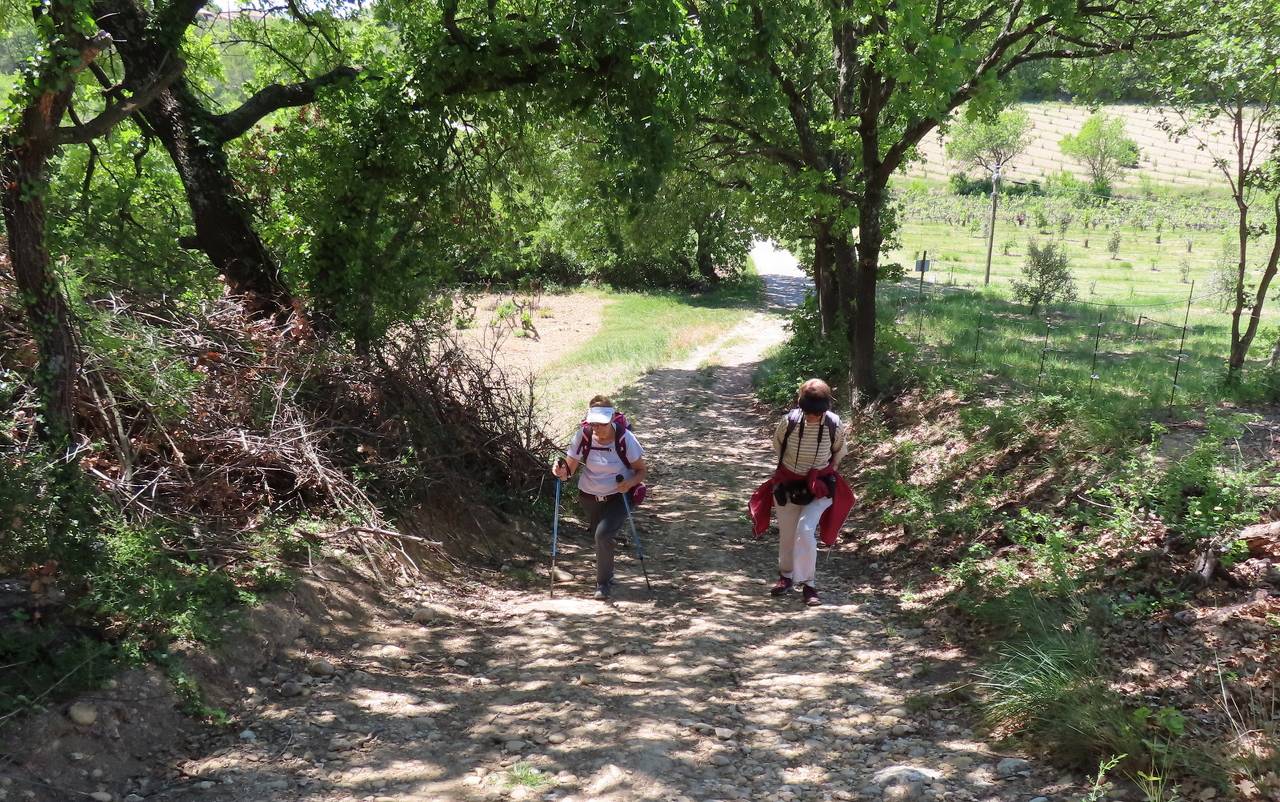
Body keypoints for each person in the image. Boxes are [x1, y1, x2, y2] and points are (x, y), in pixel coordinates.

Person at [749, 379, 855, 607]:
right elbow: (778, 447)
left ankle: (809, 584)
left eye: (815, 413)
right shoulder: (789, 422)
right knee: (787, 534)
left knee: (805, 531)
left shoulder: (834, 425)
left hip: (820, 488)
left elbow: (838, 454)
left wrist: (820, 475)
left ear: (825, 408)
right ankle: (786, 577)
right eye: (808, 412)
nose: (811, 417)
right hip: (788, 485)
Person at [552, 395, 648, 601]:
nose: (596, 429)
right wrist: (560, 471)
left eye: (601, 424)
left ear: (612, 418)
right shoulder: (583, 436)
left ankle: (602, 584)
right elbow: (569, 469)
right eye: (593, 424)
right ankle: (608, 573)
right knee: (600, 535)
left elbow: (641, 471)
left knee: (602, 535)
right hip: (589, 496)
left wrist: (629, 484)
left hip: (619, 496)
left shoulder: (625, 438)